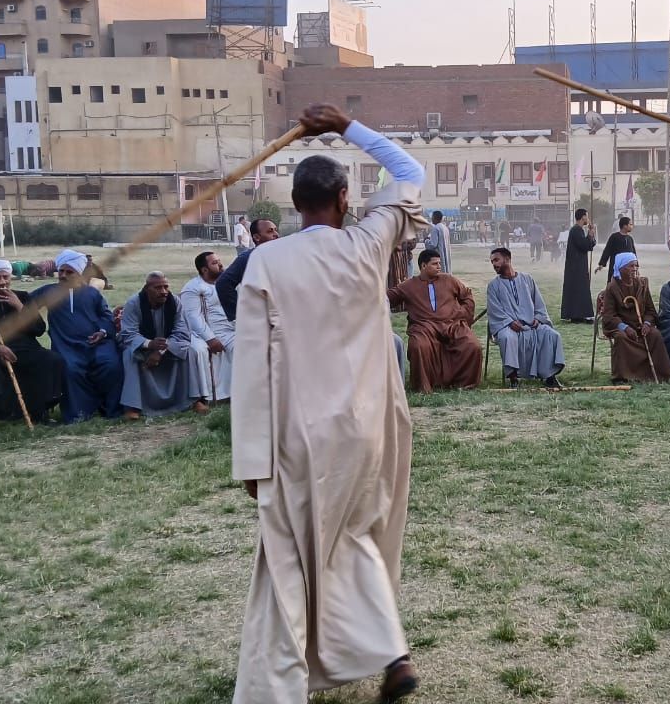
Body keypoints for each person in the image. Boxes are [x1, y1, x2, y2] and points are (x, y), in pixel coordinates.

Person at [231, 103, 424, 704]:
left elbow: (251, 371)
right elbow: (408, 172)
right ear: (343, 198)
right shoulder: (369, 244)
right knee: (355, 536)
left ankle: (282, 685)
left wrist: (250, 459)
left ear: (295, 205)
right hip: (368, 426)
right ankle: (388, 653)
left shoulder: (265, 260)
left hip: (298, 436)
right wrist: (346, 126)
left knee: (290, 558)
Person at [0, 260, 64, 430]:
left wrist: (20, 307)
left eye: (5, 276)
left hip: (25, 347)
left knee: (51, 359)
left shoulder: (23, 298)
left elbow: (39, 329)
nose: (3, 281)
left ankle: (40, 412)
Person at [32, 250, 123, 423]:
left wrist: (102, 332)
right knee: (70, 369)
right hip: (66, 344)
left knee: (111, 364)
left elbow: (106, 316)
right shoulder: (48, 291)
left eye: (69, 272)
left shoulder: (92, 293)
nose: (63, 275)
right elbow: (26, 303)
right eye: (61, 272)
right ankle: (79, 414)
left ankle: (111, 410)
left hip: (97, 343)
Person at [388, 250, 482, 393]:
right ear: (423, 265)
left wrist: (462, 314)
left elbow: (467, 296)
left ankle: (465, 384)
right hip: (424, 327)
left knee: (472, 345)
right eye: (435, 264)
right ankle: (424, 387)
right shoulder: (408, 285)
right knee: (418, 346)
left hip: (452, 324)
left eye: (440, 263)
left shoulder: (449, 280)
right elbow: (387, 298)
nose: (439, 266)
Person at [118, 272, 201, 419]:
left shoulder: (175, 302)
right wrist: (149, 344)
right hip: (142, 347)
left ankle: (193, 401)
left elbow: (182, 332)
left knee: (191, 352)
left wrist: (160, 351)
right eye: (158, 288)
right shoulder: (133, 303)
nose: (163, 292)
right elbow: (128, 334)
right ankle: (133, 407)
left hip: (168, 346)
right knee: (129, 355)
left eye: (166, 287)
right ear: (146, 289)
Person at [486, 248, 565, 389]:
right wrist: (509, 322)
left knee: (551, 335)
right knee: (507, 338)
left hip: (532, 324)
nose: (494, 264)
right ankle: (513, 378)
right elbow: (495, 310)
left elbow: (539, 303)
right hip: (507, 326)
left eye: (496, 260)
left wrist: (538, 319)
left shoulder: (527, 279)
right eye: (492, 261)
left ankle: (549, 376)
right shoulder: (493, 286)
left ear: (508, 259)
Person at [601, 252, 670, 383]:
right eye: (631, 266)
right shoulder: (612, 288)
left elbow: (650, 310)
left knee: (655, 335)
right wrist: (625, 327)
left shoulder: (642, 285)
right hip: (621, 326)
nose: (634, 269)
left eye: (636, 266)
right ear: (621, 268)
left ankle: (657, 374)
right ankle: (625, 375)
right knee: (621, 338)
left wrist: (647, 323)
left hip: (641, 324)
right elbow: (609, 315)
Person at [181, 252, 234, 404]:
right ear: (204, 270)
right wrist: (210, 339)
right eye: (215, 263)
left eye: (220, 261)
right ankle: (216, 397)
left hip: (229, 328)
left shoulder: (226, 283)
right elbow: (193, 317)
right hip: (208, 332)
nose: (221, 265)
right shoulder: (193, 288)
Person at [217, 219, 280, 322]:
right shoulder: (248, 258)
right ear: (256, 237)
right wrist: (241, 314)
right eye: (270, 231)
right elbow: (223, 283)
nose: (276, 234)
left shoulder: (283, 256)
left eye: (275, 230)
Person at [561, 209, 598, 323]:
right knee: (578, 289)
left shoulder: (578, 230)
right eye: (587, 216)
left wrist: (591, 234)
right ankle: (576, 315)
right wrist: (590, 234)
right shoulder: (576, 230)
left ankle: (579, 314)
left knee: (580, 289)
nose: (588, 219)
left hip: (578, 265)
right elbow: (584, 245)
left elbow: (590, 244)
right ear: (582, 217)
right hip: (576, 266)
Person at [597, 215, 636, 281]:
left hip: (627, 270)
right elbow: (607, 250)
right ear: (624, 226)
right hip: (616, 268)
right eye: (630, 224)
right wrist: (602, 264)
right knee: (614, 287)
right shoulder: (614, 237)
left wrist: (636, 265)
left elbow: (633, 253)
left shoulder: (630, 239)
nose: (632, 226)